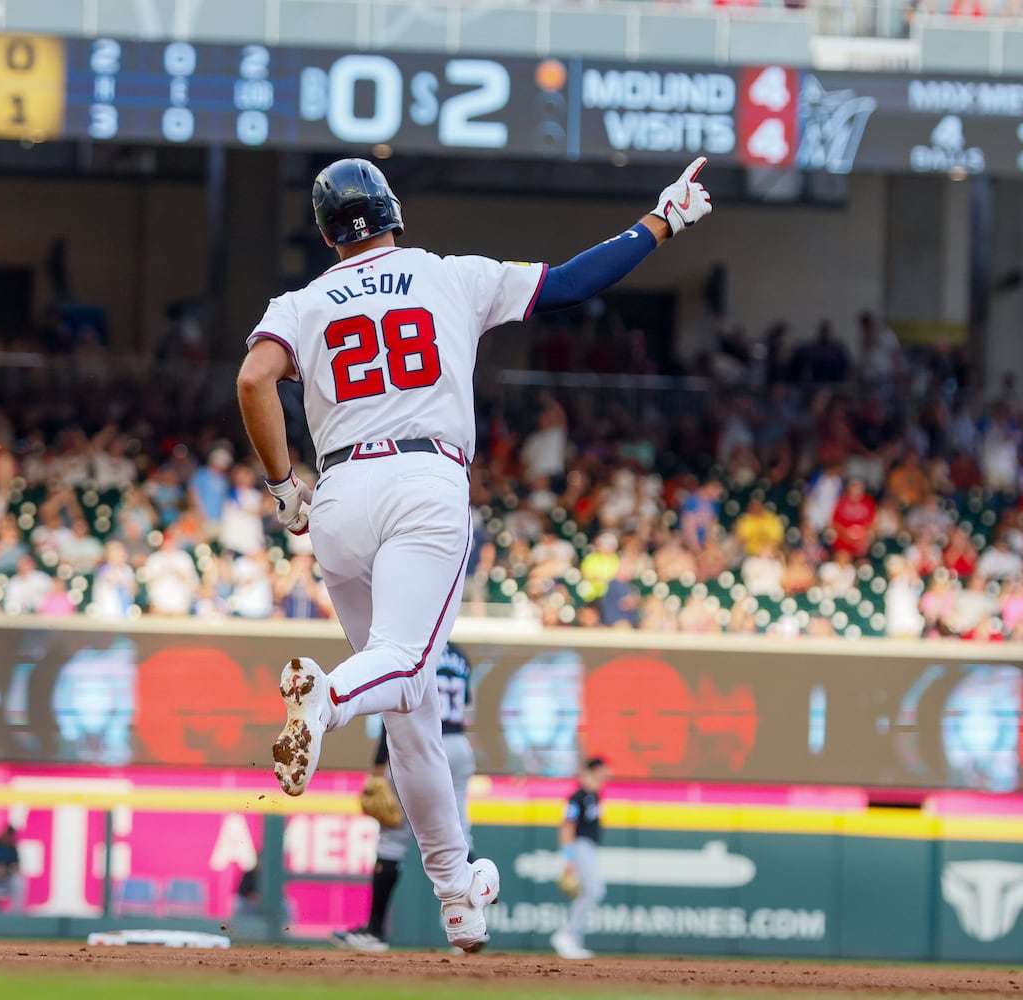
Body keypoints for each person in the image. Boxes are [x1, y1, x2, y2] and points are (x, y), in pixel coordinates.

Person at [237, 156, 713, 952]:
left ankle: (458, 892)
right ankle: (325, 701)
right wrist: (661, 220)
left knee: (414, 717)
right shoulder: (450, 275)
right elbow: (570, 282)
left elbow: (255, 380)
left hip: (341, 493)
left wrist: (285, 486)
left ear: (325, 234)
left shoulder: (305, 299)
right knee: (405, 669)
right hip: (424, 477)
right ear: (393, 213)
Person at [333, 641, 476, 953]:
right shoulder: (461, 655)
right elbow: (467, 711)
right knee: (459, 836)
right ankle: (472, 920)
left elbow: (398, 711)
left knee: (393, 840)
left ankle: (374, 932)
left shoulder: (413, 644)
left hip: (424, 746)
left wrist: (376, 767)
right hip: (460, 747)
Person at [552, 757, 608, 961]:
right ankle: (567, 935)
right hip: (579, 845)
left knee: (590, 891)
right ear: (591, 772)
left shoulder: (595, 796)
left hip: (589, 847)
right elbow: (567, 826)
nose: (605, 777)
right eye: (601, 772)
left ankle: (573, 937)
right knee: (594, 890)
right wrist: (568, 858)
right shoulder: (578, 797)